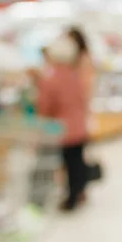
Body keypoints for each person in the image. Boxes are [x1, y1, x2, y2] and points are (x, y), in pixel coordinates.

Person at [37, 35, 89, 211]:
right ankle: (79, 193)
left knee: (66, 164)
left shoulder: (50, 78)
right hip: (80, 126)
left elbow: (44, 107)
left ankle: (70, 199)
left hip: (62, 129)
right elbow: (84, 100)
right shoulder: (76, 77)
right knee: (78, 162)